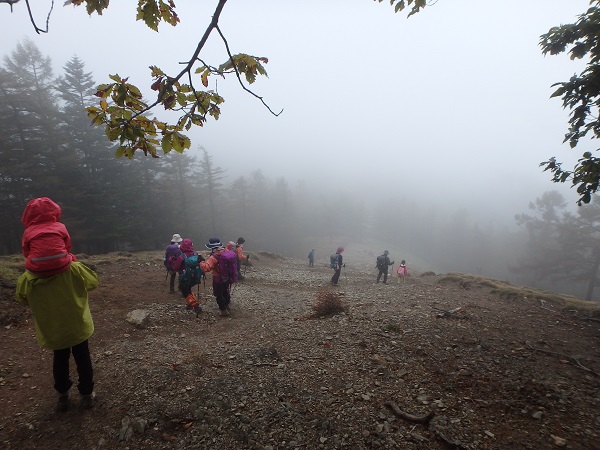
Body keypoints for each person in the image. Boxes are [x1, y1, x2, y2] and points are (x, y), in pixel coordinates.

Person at [16, 258, 99, 412]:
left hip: (53, 329)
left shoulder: (28, 277)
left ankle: (62, 396)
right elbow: (93, 282)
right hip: (78, 326)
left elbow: (21, 298)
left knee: (60, 358)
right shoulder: (74, 268)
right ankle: (86, 395)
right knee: (83, 357)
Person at [21, 197, 77, 277]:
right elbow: (67, 246)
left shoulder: (28, 231)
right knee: (72, 257)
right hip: (62, 265)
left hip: (36, 268)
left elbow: (26, 251)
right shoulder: (60, 226)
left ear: (28, 214)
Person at [199, 237, 237, 316]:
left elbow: (207, 268)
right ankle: (227, 305)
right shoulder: (226, 251)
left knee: (218, 294)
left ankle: (223, 310)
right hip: (227, 276)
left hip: (217, 278)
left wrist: (201, 261)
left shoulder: (213, 257)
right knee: (225, 290)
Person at [172, 238, 202, 314]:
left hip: (184, 277)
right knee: (188, 289)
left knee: (185, 291)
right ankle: (189, 304)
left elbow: (176, 267)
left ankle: (195, 305)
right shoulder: (195, 254)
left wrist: (172, 261)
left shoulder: (182, 256)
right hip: (194, 276)